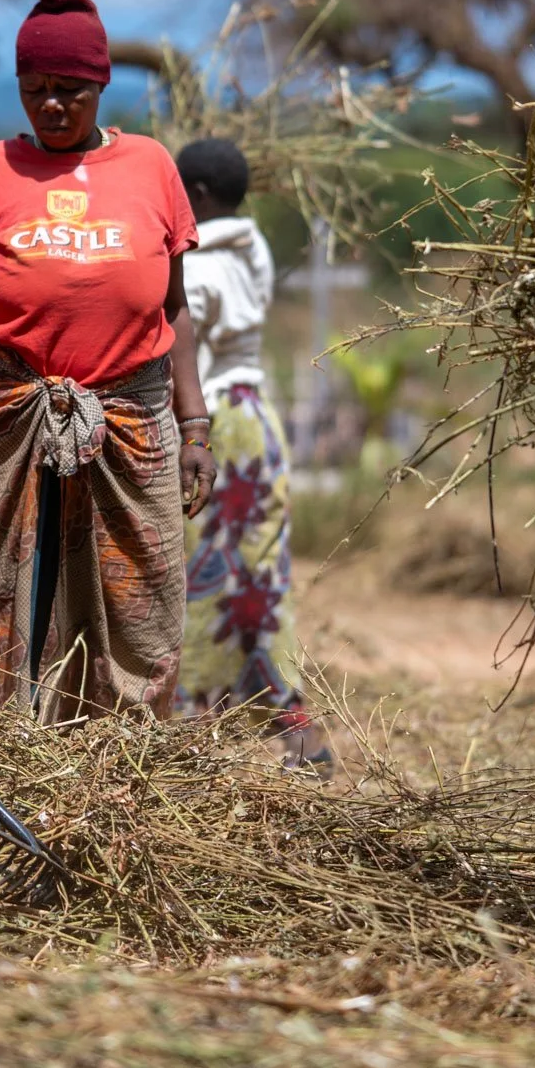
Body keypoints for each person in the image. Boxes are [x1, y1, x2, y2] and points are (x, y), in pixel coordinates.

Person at [0, 0, 217, 722]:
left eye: (69, 89)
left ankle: (118, 751)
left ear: (101, 87)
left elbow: (174, 310)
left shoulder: (150, 167)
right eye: (35, 86)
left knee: (138, 593)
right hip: (3, 408)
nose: (51, 103)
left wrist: (196, 424)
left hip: (130, 415)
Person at [170, 138, 330, 771]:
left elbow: (184, 351)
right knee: (256, 580)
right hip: (256, 424)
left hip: (218, 432)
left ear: (199, 197)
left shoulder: (202, 267)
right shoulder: (253, 248)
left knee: (211, 584)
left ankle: (198, 734)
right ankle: (295, 733)